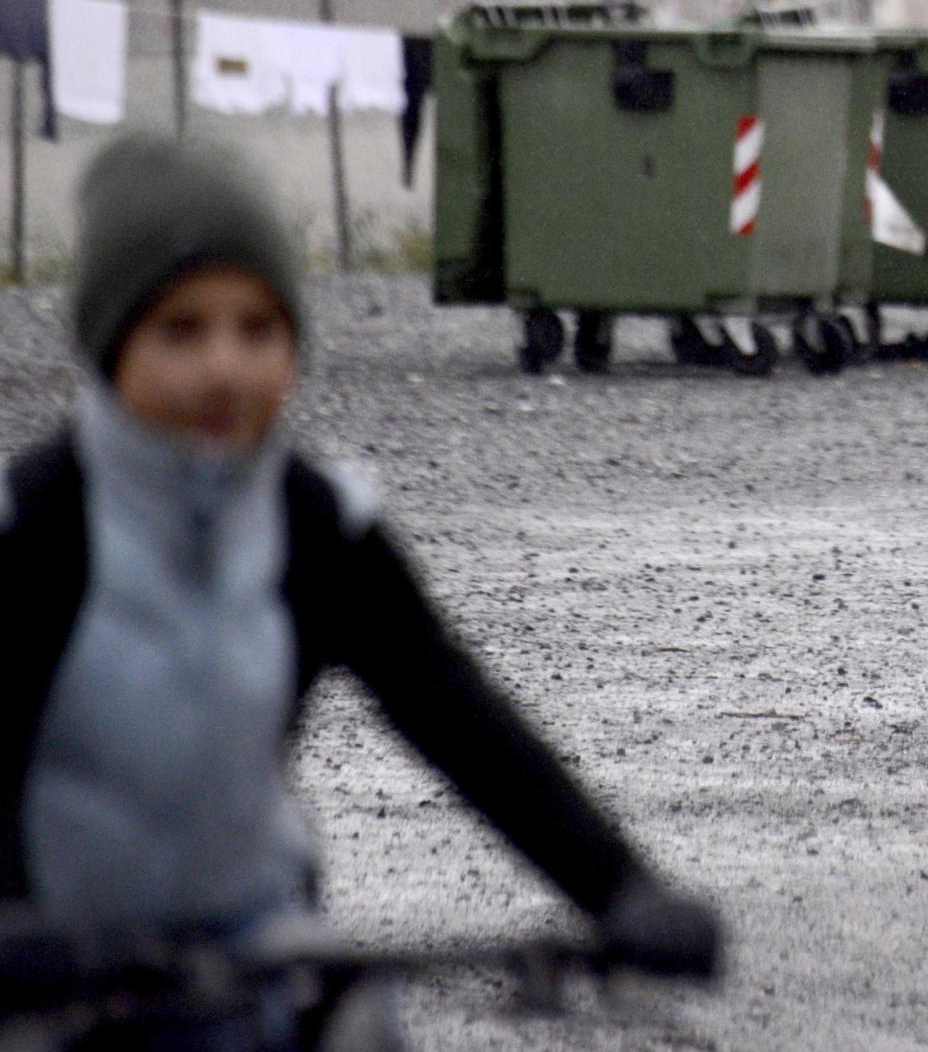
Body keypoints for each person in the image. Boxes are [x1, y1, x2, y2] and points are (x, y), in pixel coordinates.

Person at [0, 133, 721, 1047]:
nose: (225, 367)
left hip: (255, 948)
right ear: (108, 345)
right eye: (180, 330)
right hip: (52, 977)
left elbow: (457, 716)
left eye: (258, 330)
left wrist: (621, 886)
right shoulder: (35, 525)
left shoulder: (317, 526)